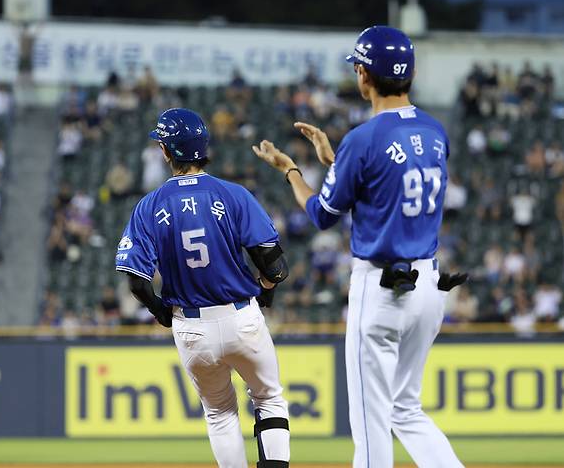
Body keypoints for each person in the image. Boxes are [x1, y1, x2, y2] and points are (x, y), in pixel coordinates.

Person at [253, 26, 465, 467]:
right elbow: (387, 181)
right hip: (429, 286)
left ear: (365, 75)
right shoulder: (435, 130)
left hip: (383, 289)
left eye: (357, 67)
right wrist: (336, 162)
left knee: (370, 422)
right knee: (407, 410)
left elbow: (322, 215)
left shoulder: (364, 140)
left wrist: (292, 169)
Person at [115, 108, 291, 468]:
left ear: (166, 151)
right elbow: (275, 265)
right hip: (242, 316)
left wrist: (161, 310)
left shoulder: (149, 206)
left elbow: (137, 280)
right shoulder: (233, 194)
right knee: (269, 399)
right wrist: (266, 287)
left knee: (220, 414)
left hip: (192, 326)